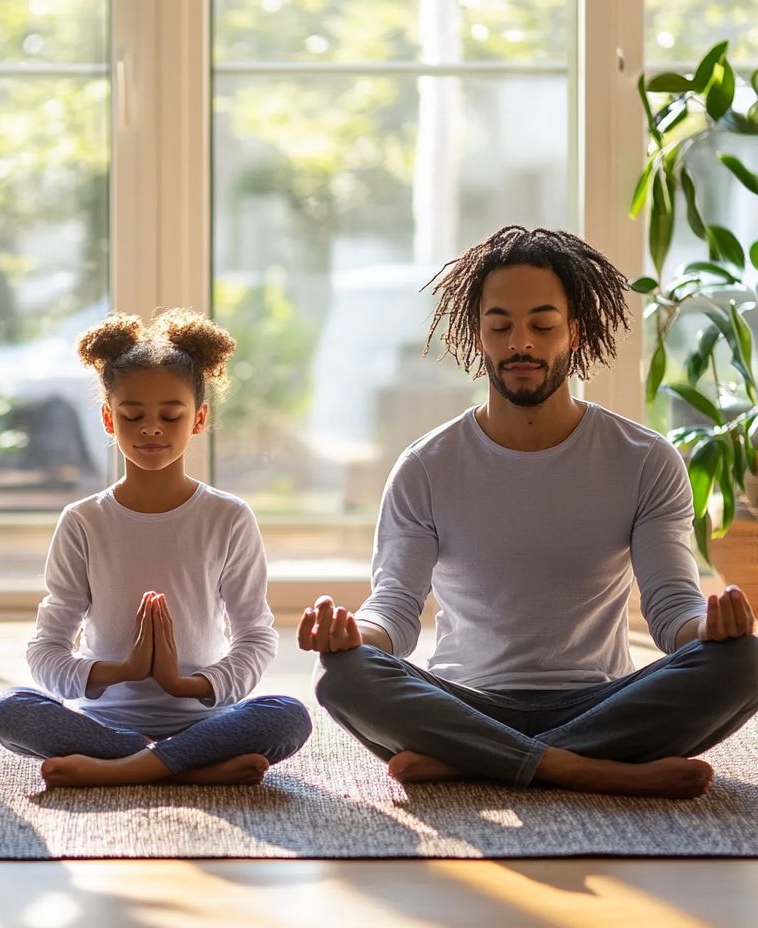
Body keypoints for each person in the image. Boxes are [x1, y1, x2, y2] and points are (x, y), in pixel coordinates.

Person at [301, 225, 758, 800]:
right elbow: (393, 611)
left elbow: (671, 611)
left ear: (575, 331)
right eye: (501, 326)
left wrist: (710, 629)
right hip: (465, 699)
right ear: (477, 335)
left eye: (542, 325)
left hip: (601, 698)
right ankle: (583, 769)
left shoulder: (644, 460)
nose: (521, 343)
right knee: (343, 675)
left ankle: (472, 761)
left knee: (744, 661)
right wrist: (351, 634)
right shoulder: (425, 466)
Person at [0, 309, 311, 787]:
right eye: (132, 415)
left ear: (199, 418)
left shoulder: (227, 516)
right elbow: (47, 650)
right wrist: (120, 671)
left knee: (287, 714)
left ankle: (126, 770)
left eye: (170, 415)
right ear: (107, 418)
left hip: (205, 719)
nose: (151, 428)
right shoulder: (84, 521)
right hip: (103, 722)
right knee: (9, 710)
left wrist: (185, 684)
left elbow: (256, 636)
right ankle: (183, 766)